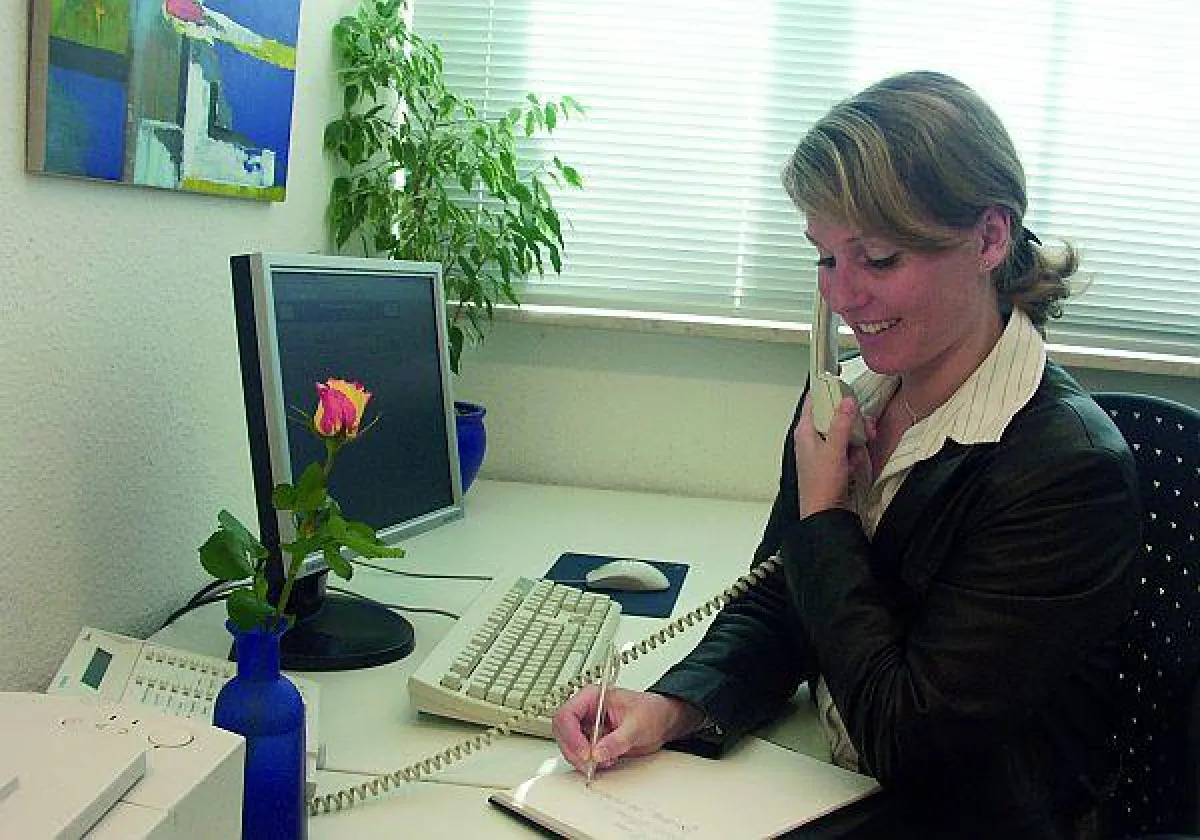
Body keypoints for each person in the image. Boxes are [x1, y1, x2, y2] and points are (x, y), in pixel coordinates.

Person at [551, 71, 1142, 840]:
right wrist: (677, 704)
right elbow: (780, 598)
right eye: (825, 259)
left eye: (879, 259)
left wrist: (827, 514)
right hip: (820, 776)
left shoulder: (1067, 473)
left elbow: (907, 739)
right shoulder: (850, 399)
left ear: (989, 239)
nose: (842, 295)